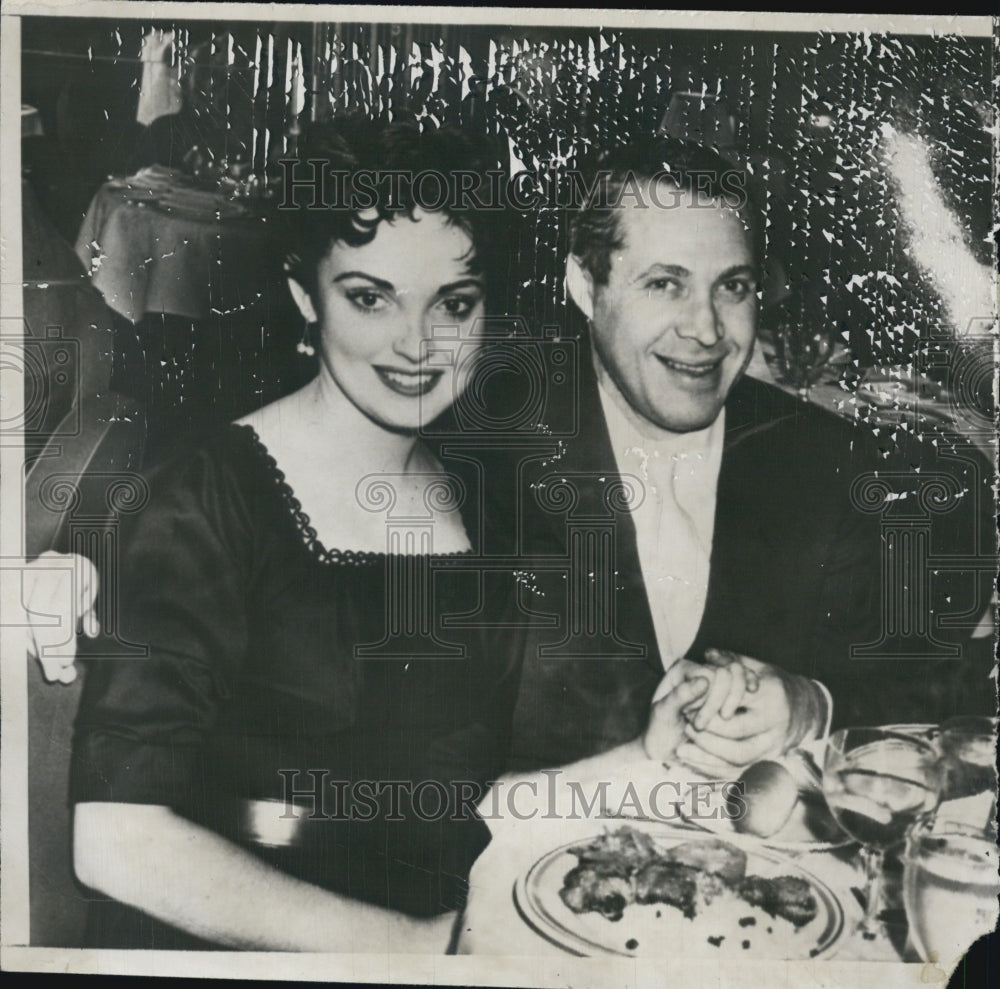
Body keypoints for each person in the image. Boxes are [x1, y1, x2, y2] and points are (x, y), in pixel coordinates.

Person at [61, 117, 723, 953]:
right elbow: (116, 840)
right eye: (370, 297)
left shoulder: (480, 494)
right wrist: (410, 946)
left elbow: (441, 799)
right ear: (306, 296)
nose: (417, 343)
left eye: (453, 302)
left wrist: (638, 758)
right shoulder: (204, 500)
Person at [489, 134, 994, 775]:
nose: (705, 330)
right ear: (585, 287)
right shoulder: (481, 456)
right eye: (665, 284)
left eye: (732, 287)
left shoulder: (821, 460)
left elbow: (932, 689)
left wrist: (815, 706)